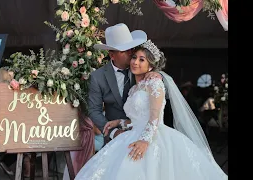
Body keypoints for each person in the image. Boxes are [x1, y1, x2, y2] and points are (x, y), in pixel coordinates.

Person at [75, 39, 228, 179]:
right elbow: (137, 119)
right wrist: (120, 122)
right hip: (131, 134)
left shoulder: (154, 82)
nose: (135, 62)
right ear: (112, 55)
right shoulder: (134, 88)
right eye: (134, 57)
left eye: (142, 60)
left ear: (151, 66)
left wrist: (145, 141)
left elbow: (154, 117)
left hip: (154, 137)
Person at [88, 23, 161, 144]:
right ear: (112, 55)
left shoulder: (139, 68)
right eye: (124, 50)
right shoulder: (97, 77)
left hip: (143, 135)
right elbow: (94, 110)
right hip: (114, 138)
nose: (130, 53)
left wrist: (159, 75)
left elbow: (156, 82)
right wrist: (113, 132)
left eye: (131, 48)